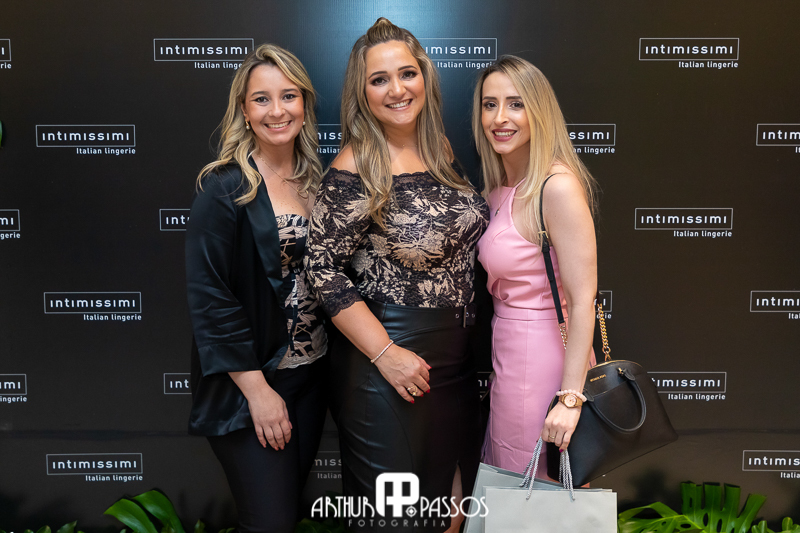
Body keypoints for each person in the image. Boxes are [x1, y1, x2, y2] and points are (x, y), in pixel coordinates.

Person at [305, 18, 489, 533]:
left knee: (447, 516)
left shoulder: (441, 150)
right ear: (362, 93)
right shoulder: (357, 163)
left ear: (425, 77)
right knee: (396, 521)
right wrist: (386, 354)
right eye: (379, 79)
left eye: (407, 73)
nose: (397, 89)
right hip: (387, 365)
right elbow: (321, 266)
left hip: (453, 363)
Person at [185, 43, 327, 533]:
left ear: (304, 104)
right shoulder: (224, 187)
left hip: (311, 377)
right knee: (269, 523)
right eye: (261, 99)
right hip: (252, 383)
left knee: (285, 516)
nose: (276, 110)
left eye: (288, 96)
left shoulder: (317, 180)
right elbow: (210, 297)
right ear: (244, 111)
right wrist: (258, 391)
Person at [473, 55, 598, 479]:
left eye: (516, 104)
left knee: (534, 485)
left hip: (543, 360)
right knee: (511, 479)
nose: (500, 118)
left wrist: (570, 399)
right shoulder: (498, 189)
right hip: (508, 353)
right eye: (490, 104)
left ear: (539, 111)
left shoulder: (556, 187)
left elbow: (582, 301)